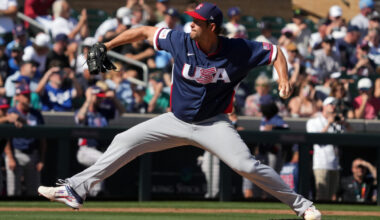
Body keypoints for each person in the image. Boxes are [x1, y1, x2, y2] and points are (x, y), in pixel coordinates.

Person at [38, 3, 321, 219]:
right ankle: (74, 190)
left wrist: (283, 78)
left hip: (214, 124)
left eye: (197, 22)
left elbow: (275, 52)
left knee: (246, 165)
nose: (191, 25)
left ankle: (303, 206)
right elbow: (144, 32)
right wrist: (108, 45)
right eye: (191, 20)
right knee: (125, 141)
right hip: (174, 120)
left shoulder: (238, 49)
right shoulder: (180, 40)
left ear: (212, 27)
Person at [306, 96, 351, 201]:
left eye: (335, 104)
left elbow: (352, 135)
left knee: (331, 197)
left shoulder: (338, 121)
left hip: (335, 164)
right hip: (321, 163)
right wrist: (329, 123)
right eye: (331, 104)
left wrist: (345, 123)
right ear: (324, 106)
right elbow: (315, 139)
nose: (334, 107)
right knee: (322, 195)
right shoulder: (314, 121)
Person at [6, 83, 46, 196]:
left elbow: (43, 139)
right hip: (16, 153)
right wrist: (10, 158)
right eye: (24, 95)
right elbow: (5, 138)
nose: (27, 98)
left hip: (33, 155)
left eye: (28, 95)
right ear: (17, 97)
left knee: (34, 192)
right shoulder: (11, 113)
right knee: (13, 192)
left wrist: (41, 159)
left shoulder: (36, 113)